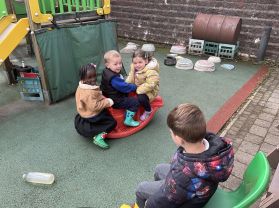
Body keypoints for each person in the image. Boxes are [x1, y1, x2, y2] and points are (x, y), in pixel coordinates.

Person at [129, 103, 234, 208]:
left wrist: (150, 203)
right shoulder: (215, 145)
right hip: (198, 189)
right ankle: (163, 189)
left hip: (187, 199)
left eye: (171, 132)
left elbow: (158, 203)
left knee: (141, 188)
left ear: (179, 138)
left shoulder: (183, 175)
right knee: (159, 169)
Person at [74, 63, 116, 149]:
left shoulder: (81, 86)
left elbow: (90, 98)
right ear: (83, 78)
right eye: (89, 77)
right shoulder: (88, 93)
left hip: (84, 111)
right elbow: (95, 106)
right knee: (112, 122)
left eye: (94, 76)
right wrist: (107, 102)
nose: (93, 79)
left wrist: (99, 95)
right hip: (92, 113)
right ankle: (99, 137)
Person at [100, 50, 140, 127]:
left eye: (120, 63)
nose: (119, 66)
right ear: (107, 65)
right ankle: (128, 120)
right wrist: (135, 86)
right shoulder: (114, 78)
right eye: (115, 64)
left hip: (108, 96)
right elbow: (125, 87)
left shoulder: (106, 71)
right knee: (135, 102)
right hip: (117, 100)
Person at [126, 49, 159, 121]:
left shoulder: (151, 71)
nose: (137, 65)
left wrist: (138, 90)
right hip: (138, 87)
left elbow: (151, 84)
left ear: (146, 61)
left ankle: (148, 110)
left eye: (140, 62)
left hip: (150, 91)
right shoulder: (134, 67)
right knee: (126, 91)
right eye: (135, 63)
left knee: (141, 97)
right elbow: (131, 76)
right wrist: (126, 84)